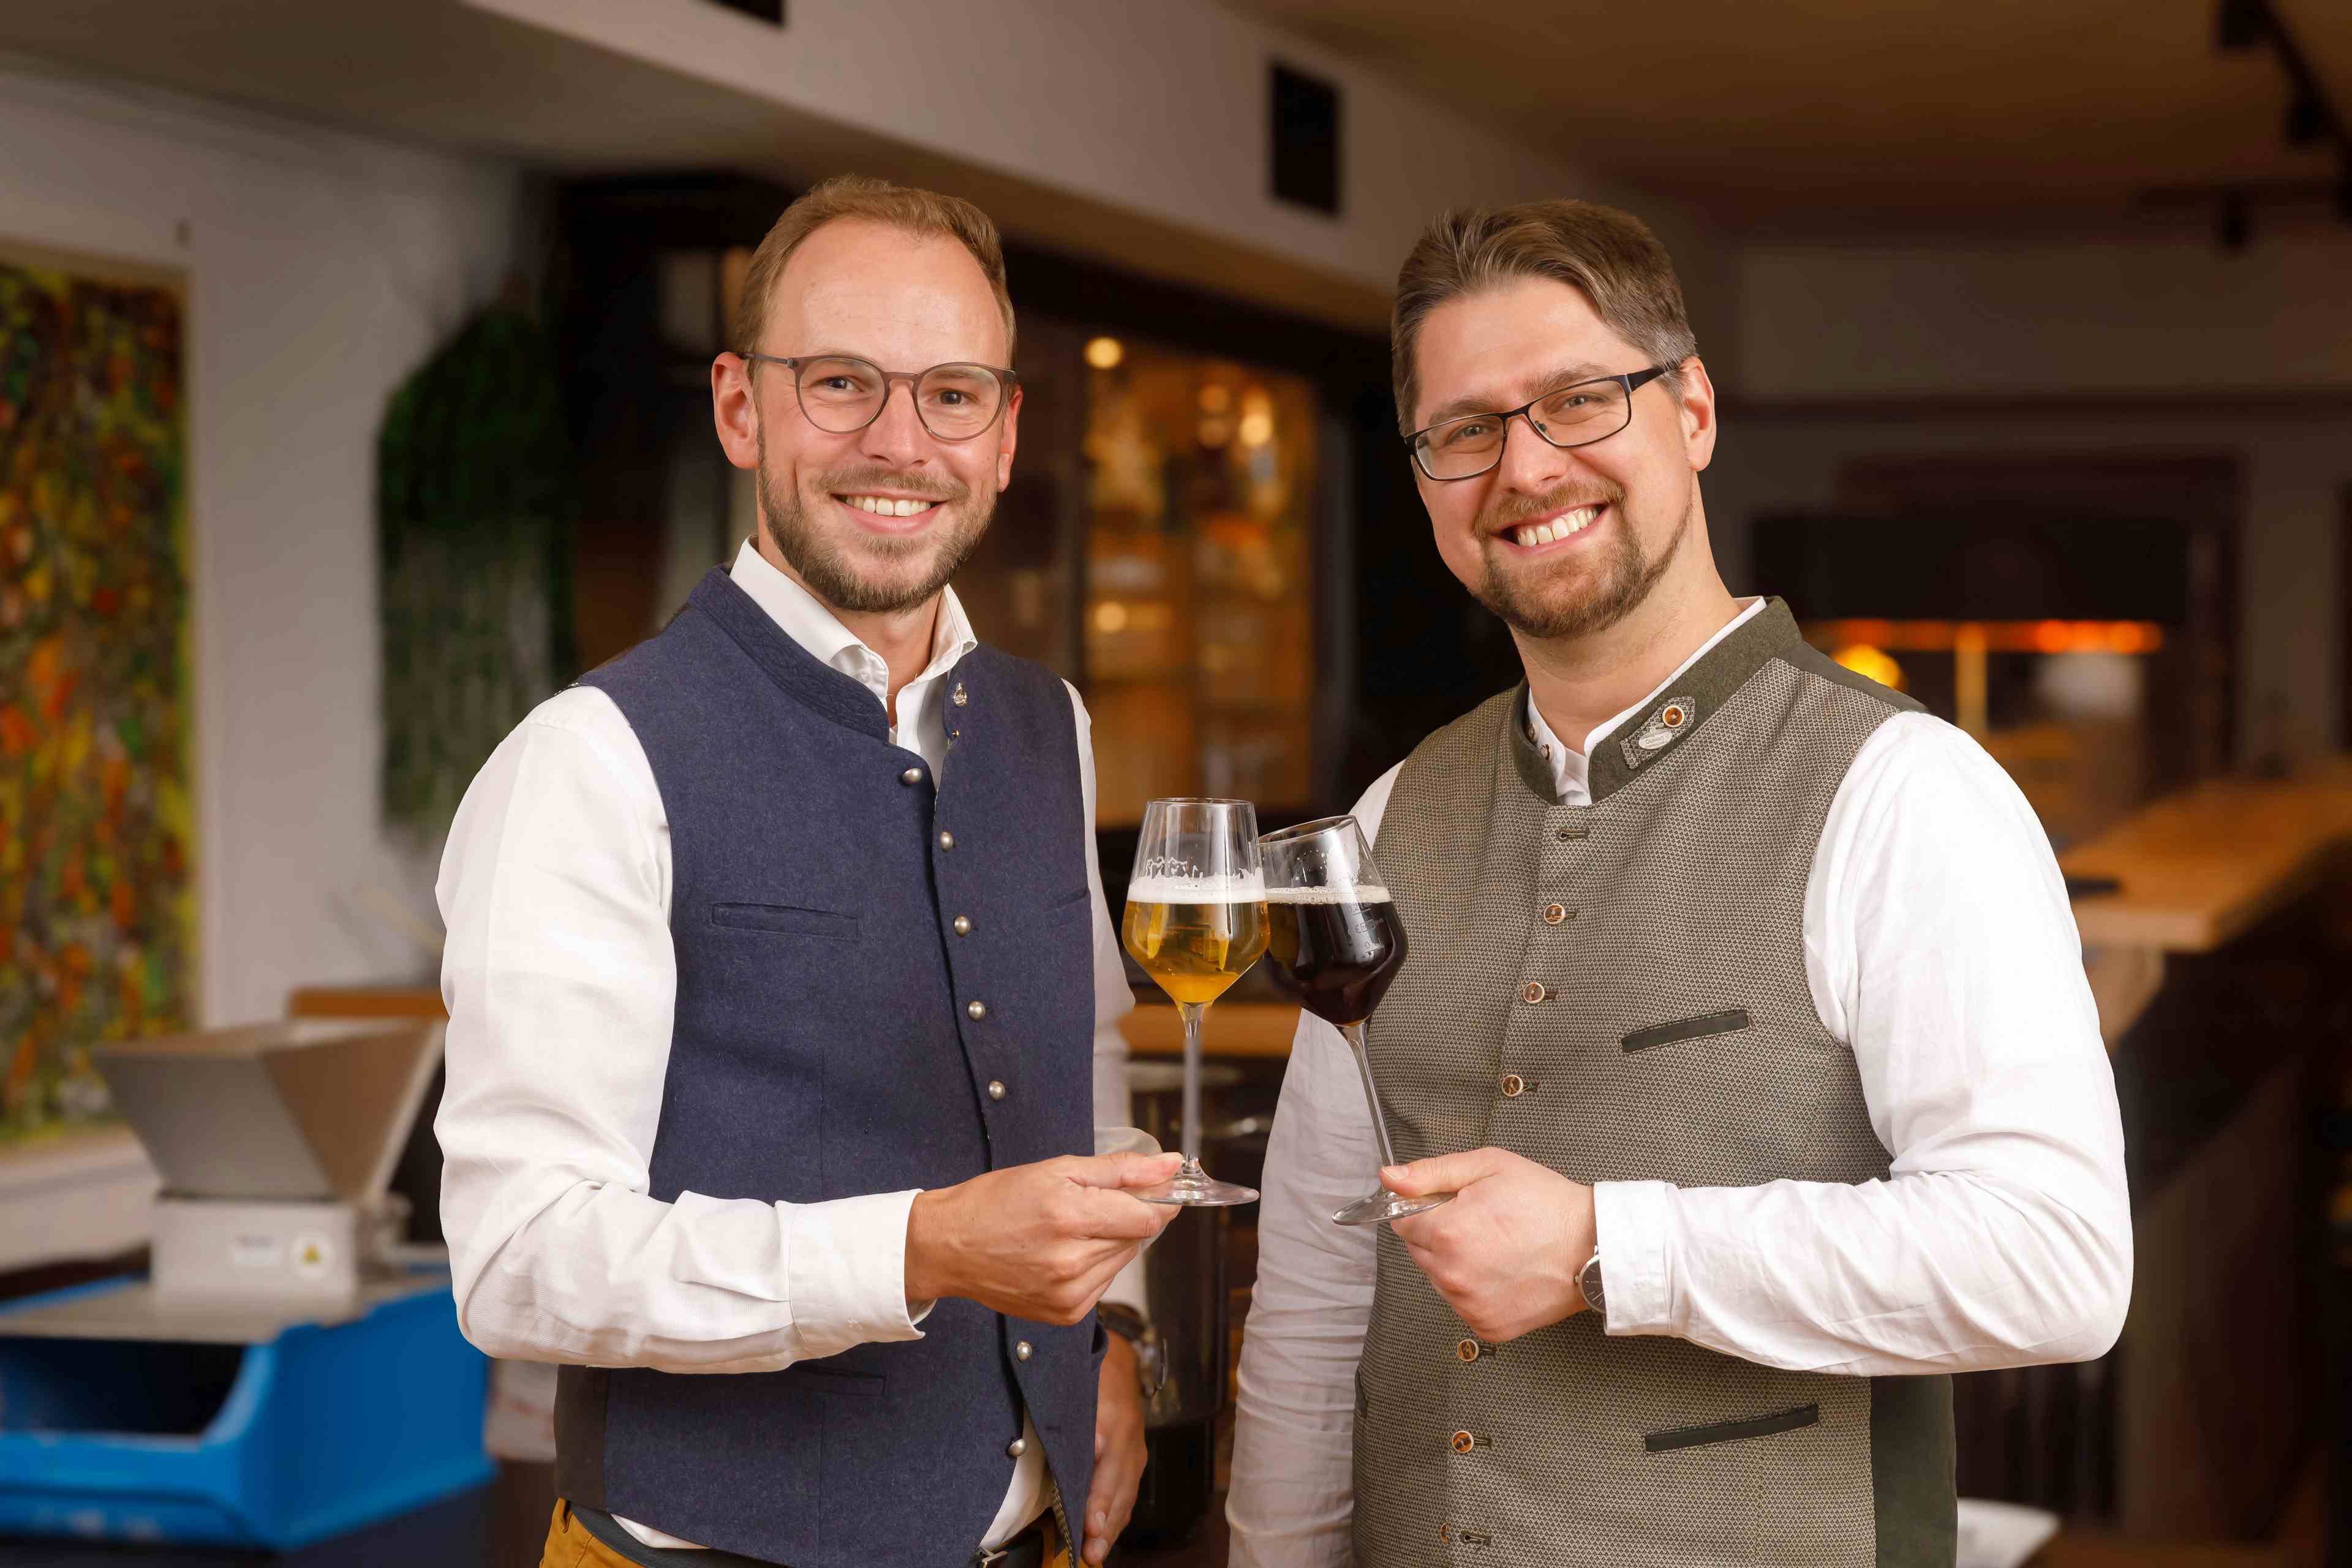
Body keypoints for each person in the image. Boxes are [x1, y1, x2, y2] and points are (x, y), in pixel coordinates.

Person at [1226, 199, 2133, 1567]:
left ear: (1692, 411)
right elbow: (1312, 1284)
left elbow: (2053, 1261)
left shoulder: (1904, 792)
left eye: (1581, 401)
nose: (1524, 467)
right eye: (1464, 430)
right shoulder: (1388, 814)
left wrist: (1610, 1244)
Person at [436, 175, 1177, 1568]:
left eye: (952, 392)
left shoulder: (1051, 723)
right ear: (739, 407)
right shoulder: (589, 757)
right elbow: (521, 1256)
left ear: (1006, 432)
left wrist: (1115, 1326)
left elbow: (1085, 1073)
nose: (899, 441)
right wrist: (922, 1246)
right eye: (841, 381)